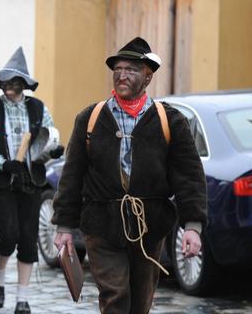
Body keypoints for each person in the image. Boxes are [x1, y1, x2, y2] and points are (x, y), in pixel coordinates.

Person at [53, 38, 207, 314]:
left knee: (140, 302)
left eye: (131, 70)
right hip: (101, 224)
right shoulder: (90, 117)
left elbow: (190, 176)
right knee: (116, 296)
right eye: (118, 69)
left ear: (147, 77)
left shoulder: (169, 120)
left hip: (150, 225)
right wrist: (64, 226)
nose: (122, 75)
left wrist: (192, 226)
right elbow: (72, 174)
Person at [0, 47, 59, 314]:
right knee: (9, 234)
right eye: (5, 82)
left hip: (31, 179)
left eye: (14, 83)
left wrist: (53, 149)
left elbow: (48, 137)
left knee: (28, 238)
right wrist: (5, 162)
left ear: (23, 84)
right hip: (2, 180)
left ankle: (22, 299)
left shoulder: (37, 107)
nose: (9, 87)